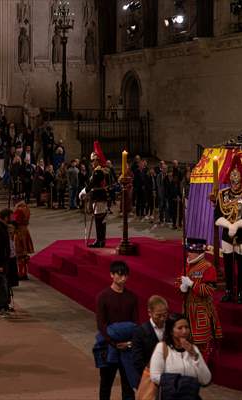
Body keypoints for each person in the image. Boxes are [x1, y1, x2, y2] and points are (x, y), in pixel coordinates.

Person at [214, 160, 242, 304]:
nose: (235, 185)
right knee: (227, 264)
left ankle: (241, 292)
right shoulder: (223, 194)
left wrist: (236, 225)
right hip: (227, 235)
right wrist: (228, 225)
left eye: (237, 182)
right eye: (233, 182)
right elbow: (217, 215)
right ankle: (229, 291)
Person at [95, 261, 138, 400]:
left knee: (128, 386)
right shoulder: (103, 296)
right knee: (106, 385)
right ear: (111, 275)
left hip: (127, 349)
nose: (123, 278)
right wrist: (113, 343)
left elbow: (135, 324)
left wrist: (129, 343)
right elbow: (101, 325)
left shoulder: (132, 297)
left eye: (125, 275)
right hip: (108, 347)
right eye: (120, 275)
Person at [176, 238, 222, 362]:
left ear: (198, 252)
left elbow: (209, 290)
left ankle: (202, 370)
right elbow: (178, 281)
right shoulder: (187, 265)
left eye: (190, 251)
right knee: (187, 341)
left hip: (201, 310)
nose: (188, 254)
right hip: (187, 309)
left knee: (202, 343)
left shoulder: (208, 268)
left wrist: (192, 284)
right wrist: (182, 287)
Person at [149, 314, 211, 393]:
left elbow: (206, 380)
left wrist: (195, 355)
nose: (184, 331)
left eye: (186, 327)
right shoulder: (162, 347)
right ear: (171, 331)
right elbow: (155, 376)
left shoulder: (193, 348)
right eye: (180, 328)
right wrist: (181, 382)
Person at [131, 296, 169, 378]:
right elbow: (137, 360)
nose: (162, 318)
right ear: (149, 312)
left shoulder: (171, 328)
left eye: (165, 315)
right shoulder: (140, 332)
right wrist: (150, 375)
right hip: (148, 376)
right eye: (158, 315)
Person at [79, 152, 109, 248]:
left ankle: (100, 241)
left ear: (97, 161)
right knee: (100, 220)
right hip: (100, 198)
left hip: (99, 198)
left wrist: (82, 192)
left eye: (93, 160)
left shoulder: (98, 172)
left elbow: (91, 185)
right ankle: (101, 240)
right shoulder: (99, 171)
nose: (91, 162)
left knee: (99, 220)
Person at [12, 201, 34, 280]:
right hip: (25, 230)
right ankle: (25, 272)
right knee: (24, 254)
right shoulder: (26, 208)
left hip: (19, 232)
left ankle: (21, 273)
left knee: (19, 254)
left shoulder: (18, 209)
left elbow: (14, 221)